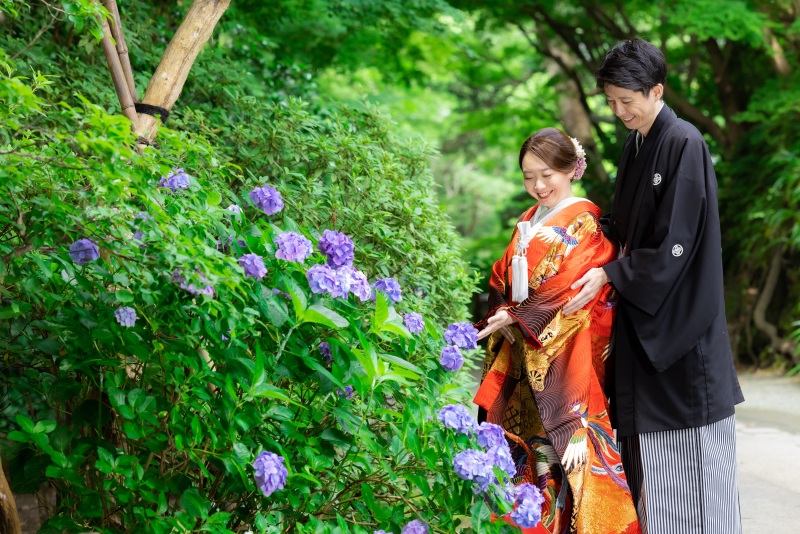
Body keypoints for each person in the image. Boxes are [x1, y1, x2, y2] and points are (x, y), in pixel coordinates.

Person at [564, 39, 744, 533]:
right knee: (654, 481)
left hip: (681, 335)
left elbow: (674, 245)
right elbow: (622, 229)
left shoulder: (684, 141)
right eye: (612, 102)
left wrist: (612, 272)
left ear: (657, 90)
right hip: (647, 331)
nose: (619, 111)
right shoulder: (637, 144)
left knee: (695, 483)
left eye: (628, 100)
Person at [474, 127, 641, 534]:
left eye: (547, 174)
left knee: (569, 448)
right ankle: (528, 525)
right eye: (528, 176)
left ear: (571, 169)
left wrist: (517, 314)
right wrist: (506, 310)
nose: (537, 185)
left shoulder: (587, 220)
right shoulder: (528, 219)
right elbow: (501, 273)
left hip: (567, 354)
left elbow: (571, 281)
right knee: (526, 448)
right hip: (524, 351)